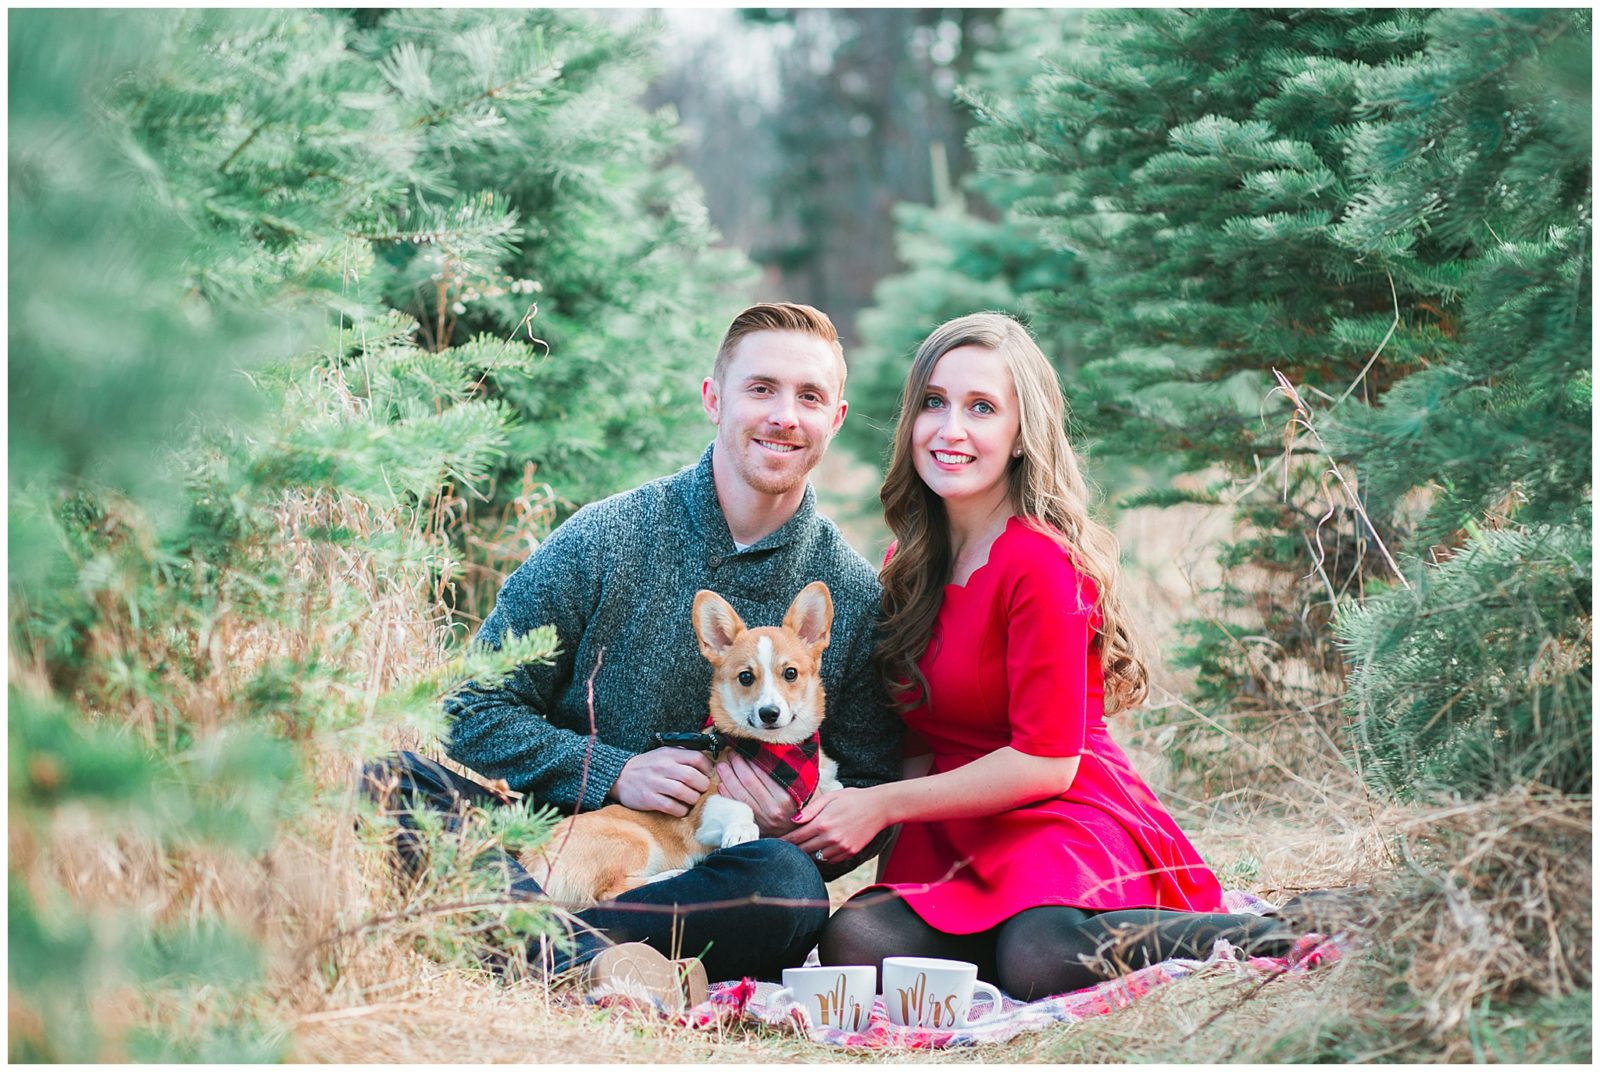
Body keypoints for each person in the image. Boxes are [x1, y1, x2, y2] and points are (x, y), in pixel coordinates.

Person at [362, 302, 902, 997]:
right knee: (388, 779)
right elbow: (468, 708)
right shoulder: (607, 537)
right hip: (547, 846)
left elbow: (872, 782)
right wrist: (612, 772)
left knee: (788, 888)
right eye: (761, 389)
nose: (784, 416)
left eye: (810, 397)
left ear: (837, 419)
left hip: (701, 874)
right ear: (714, 399)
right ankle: (585, 956)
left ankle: (520, 942)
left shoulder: (849, 594)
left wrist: (791, 825)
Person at [787, 312, 1294, 999]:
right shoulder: (907, 563)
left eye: (982, 408)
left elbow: (1046, 762)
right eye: (934, 402)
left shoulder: (1041, 562)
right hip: (955, 829)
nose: (951, 429)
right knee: (858, 940)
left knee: (1043, 956)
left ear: (1023, 433)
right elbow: (915, 739)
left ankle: (1271, 932)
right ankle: (1007, 943)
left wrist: (878, 806)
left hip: (1060, 814)